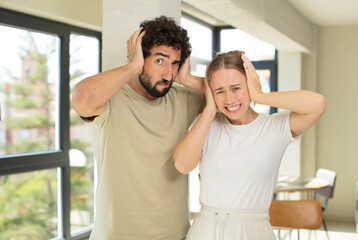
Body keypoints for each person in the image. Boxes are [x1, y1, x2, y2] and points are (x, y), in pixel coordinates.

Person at [72, 16, 205, 240]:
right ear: (141, 57)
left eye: (175, 63)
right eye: (160, 61)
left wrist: (188, 78)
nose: (169, 74)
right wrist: (133, 67)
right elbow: (82, 97)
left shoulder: (182, 98)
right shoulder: (111, 98)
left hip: (174, 235)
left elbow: (230, 96)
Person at [173, 50, 326, 239]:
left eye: (236, 88)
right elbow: (182, 164)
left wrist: (260, 95)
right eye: (219, 91)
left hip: (252, 231)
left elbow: (317, 103)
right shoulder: (206, 124)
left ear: (250, 84)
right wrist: (210, 108)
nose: (229, 99)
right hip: (205, 229)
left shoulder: (274, 128)